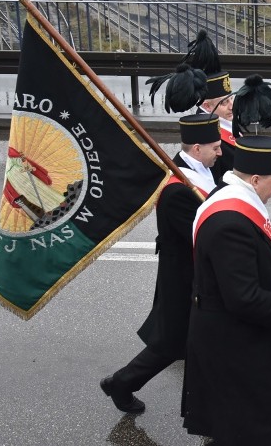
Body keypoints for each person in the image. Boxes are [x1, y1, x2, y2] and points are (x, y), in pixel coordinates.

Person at [182, 135, 271, 445]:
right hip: (233, 343)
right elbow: (243, 298)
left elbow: (250, 260)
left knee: (235, 426)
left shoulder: (228, 194)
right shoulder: (231, 222)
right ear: (255, 179)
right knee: (250, 427)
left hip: (231, 336)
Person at [100, 113, 222, 414]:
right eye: (215, 147)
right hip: (185, 277)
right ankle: (122, 383)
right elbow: (201, 236)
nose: (220, 153)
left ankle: (124, 383)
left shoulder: (198, 170)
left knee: (193, 343)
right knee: (174, 343)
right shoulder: (178, 190)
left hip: (198, 274)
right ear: (196, 148)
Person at [197, 70, 238, 183]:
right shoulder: (205, 135)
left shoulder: (220, 119)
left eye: (231, 98)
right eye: (224, 102)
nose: (231, 106)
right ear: (207, 106)